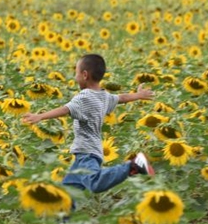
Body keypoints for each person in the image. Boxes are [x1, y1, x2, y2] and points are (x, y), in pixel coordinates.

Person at [22, 54, 155, 200]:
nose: (75, 77)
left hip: (87, 152)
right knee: (67, 194)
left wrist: (40, 116)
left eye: (76, 73)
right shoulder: (103, 96)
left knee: (95, 182)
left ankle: (133, 166)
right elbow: (121, 98)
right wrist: (138, 95)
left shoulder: (84, 97)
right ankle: (63, 220)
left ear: (85, 75)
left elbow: (65, 109)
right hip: (89, 152)